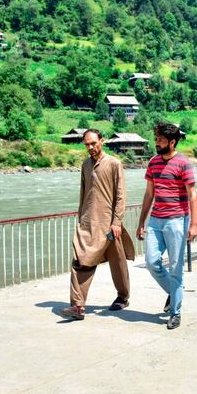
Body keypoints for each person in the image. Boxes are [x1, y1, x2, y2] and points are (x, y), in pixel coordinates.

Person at [60, 129, 135, 321]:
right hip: (89, 224)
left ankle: (123, 296)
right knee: (81, 260)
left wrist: (117, 221)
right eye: (86, 144)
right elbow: (83, 193)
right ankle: (78, 306)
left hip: (110, 225)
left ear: (102, 141)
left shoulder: (114, 164)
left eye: (93, 143)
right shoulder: (85, 165)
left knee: (117, 261)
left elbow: (120, 195)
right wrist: (81, 219)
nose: (90, 147)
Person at [136, 123, 197, 330]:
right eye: (156, 139)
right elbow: (148, 194)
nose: (157, 143)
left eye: (161, 140)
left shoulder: (183, 163)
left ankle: (175, 312)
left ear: (172, 142)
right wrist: (141, 222)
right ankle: (173, 292)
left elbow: (192, 196)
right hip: (155, 220)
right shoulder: (153, 163)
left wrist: (194, 224)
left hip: (177, 221)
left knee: (176, 268)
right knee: (152, 262)